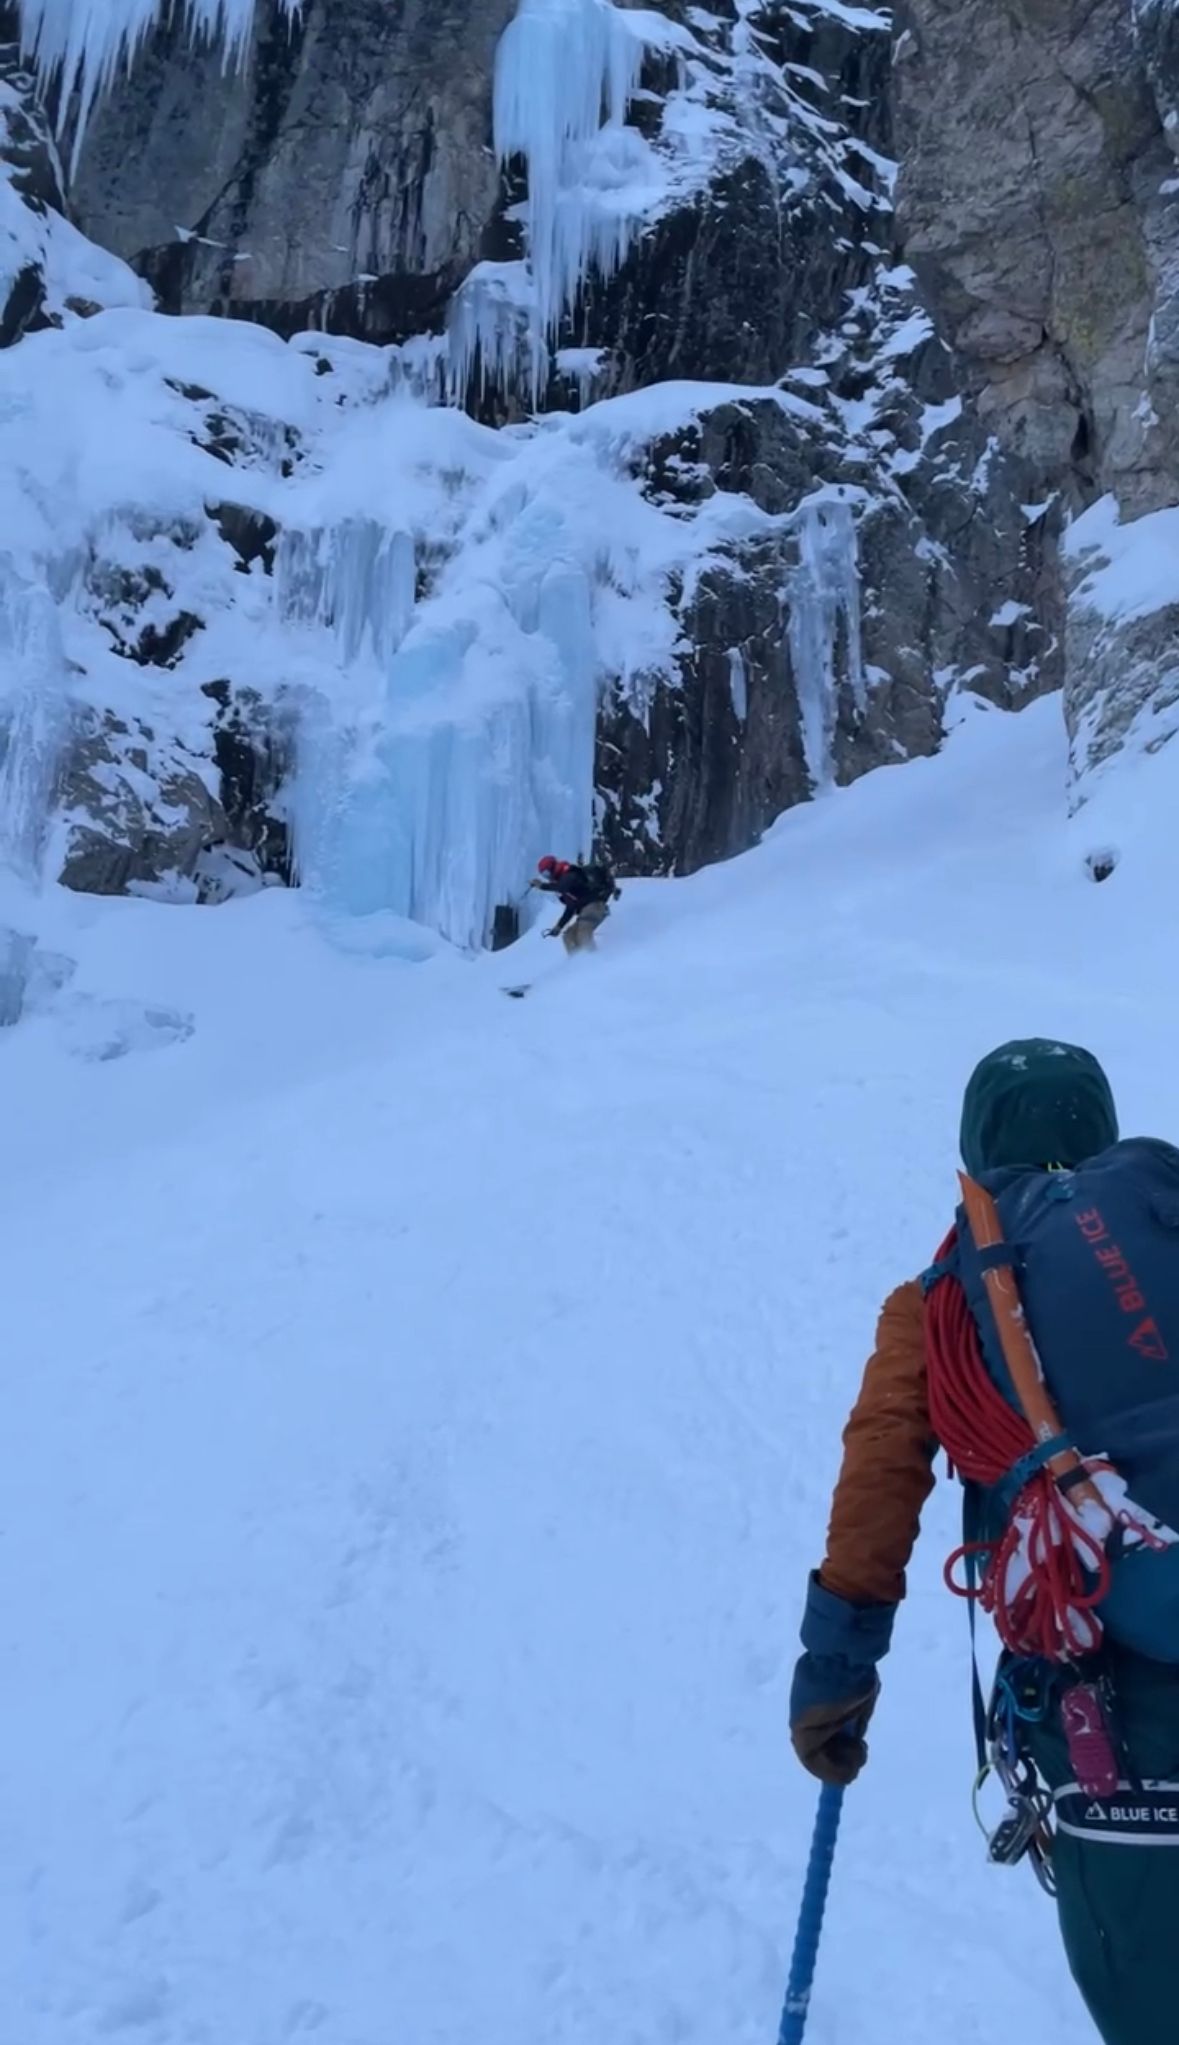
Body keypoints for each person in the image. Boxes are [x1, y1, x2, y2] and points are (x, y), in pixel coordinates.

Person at [789, 1040, 1179, 2045]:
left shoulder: (944, 1296)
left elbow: (880, 1474)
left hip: (1116, 1731)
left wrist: (835, 1670)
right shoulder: (1167, 1213)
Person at [531, 855, 619, 955]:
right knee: (569, 936)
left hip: (594, 905)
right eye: (544, 875)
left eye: (547, 873)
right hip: (586, 910)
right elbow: (570, 908)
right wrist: (559, 926)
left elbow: (562, 887)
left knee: (583, 933)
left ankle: (596, 962)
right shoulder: (564, 883)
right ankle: (576, 963)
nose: (547, 877)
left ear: (553, 867)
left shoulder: (569, 873)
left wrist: (542, 885)